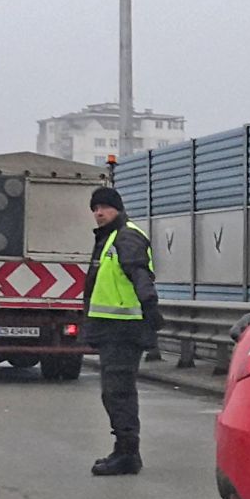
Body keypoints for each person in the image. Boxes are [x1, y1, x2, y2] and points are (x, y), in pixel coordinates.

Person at [82, 186, 161, 477]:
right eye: (95, 208)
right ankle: (124, 449)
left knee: (118, 392)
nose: (99, 213)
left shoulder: (126, 236)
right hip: (113, 329)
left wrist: (150, 307)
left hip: (124, 330)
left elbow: (139, 273)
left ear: (117, 208)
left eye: (104, 207)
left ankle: (128, 454)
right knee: (114, 392)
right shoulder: (110, 238)